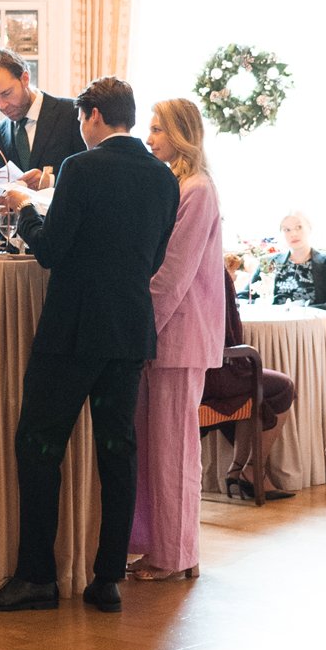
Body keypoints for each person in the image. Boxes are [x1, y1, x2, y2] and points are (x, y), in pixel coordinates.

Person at [0, 77, 179, 616]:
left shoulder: (80, 168)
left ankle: (37, 576)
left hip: (73, 331)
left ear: (90, 116)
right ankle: (106, 578)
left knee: (38, 445)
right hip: (129, 330)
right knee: (117, 452)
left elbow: (51, 253)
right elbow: (153, 259)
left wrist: (24, 208)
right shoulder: (163, 177)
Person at [128, 98, 226, 581]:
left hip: (178, 333)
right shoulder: (177, 185)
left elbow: (174, 272)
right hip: (166, 331)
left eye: (157, 130)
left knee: (174, 450)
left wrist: (143, 325)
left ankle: (173, 555)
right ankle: (166, 546)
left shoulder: (198, 190)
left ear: (181, 134)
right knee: (157, 448)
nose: (150, 138)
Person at [205, 269, 296, 500]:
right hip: (210, 372)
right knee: (282, 386)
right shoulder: (212, 268)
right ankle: (253, 470)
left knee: (255, 388)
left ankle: (238, 468)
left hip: (189, 371)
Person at [0, 46, 84, 183]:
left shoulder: (74, 114)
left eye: (7, 93)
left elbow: (94, 176)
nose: (1, 105)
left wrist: (51, 181)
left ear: (25, 79)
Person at [273, 208, 326, 399]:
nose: (293, 234)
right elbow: (246, 296)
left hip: (318, 340)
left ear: (309, 228)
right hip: (278, 341)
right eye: (286, 230)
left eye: (298, 227)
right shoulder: (272, 263)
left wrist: (304, 312)